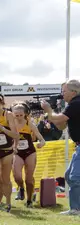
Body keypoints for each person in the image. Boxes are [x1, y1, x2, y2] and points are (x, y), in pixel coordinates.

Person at [41, 79, 80, 215]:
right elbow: (61, 125)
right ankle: (75, 208)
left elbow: (59, 120)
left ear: (74, 92)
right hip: (78, 146)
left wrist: (49, 111)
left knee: (75, 177)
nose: (62, 94)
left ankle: (76, 209)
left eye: (64, 91)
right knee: (69, 176)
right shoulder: (73, 104)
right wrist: (51, 114)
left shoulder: (76, 103)